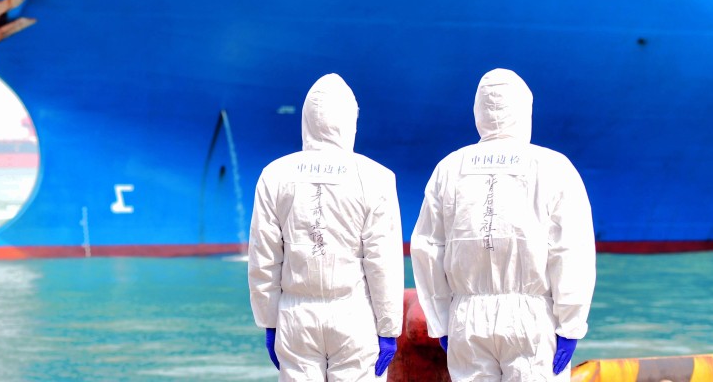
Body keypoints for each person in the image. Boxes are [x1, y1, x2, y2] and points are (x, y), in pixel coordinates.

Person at [410, 69, 596, 381]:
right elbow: (571, 251)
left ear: (478, 112)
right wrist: (571, 323)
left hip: (466, 319)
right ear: (525, 110)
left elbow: (427, 248)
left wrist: (440, 320)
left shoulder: (449, 167)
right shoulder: (554, 167)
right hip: (532, 321)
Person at [248, 73, 403, 381]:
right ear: (350, 121)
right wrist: (388, 328)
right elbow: (382, 261)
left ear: (306, 120)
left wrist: (269, 320)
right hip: (354, 315)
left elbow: (264, 258)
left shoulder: (274, 174)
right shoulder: (377, 177)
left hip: (295, 317)